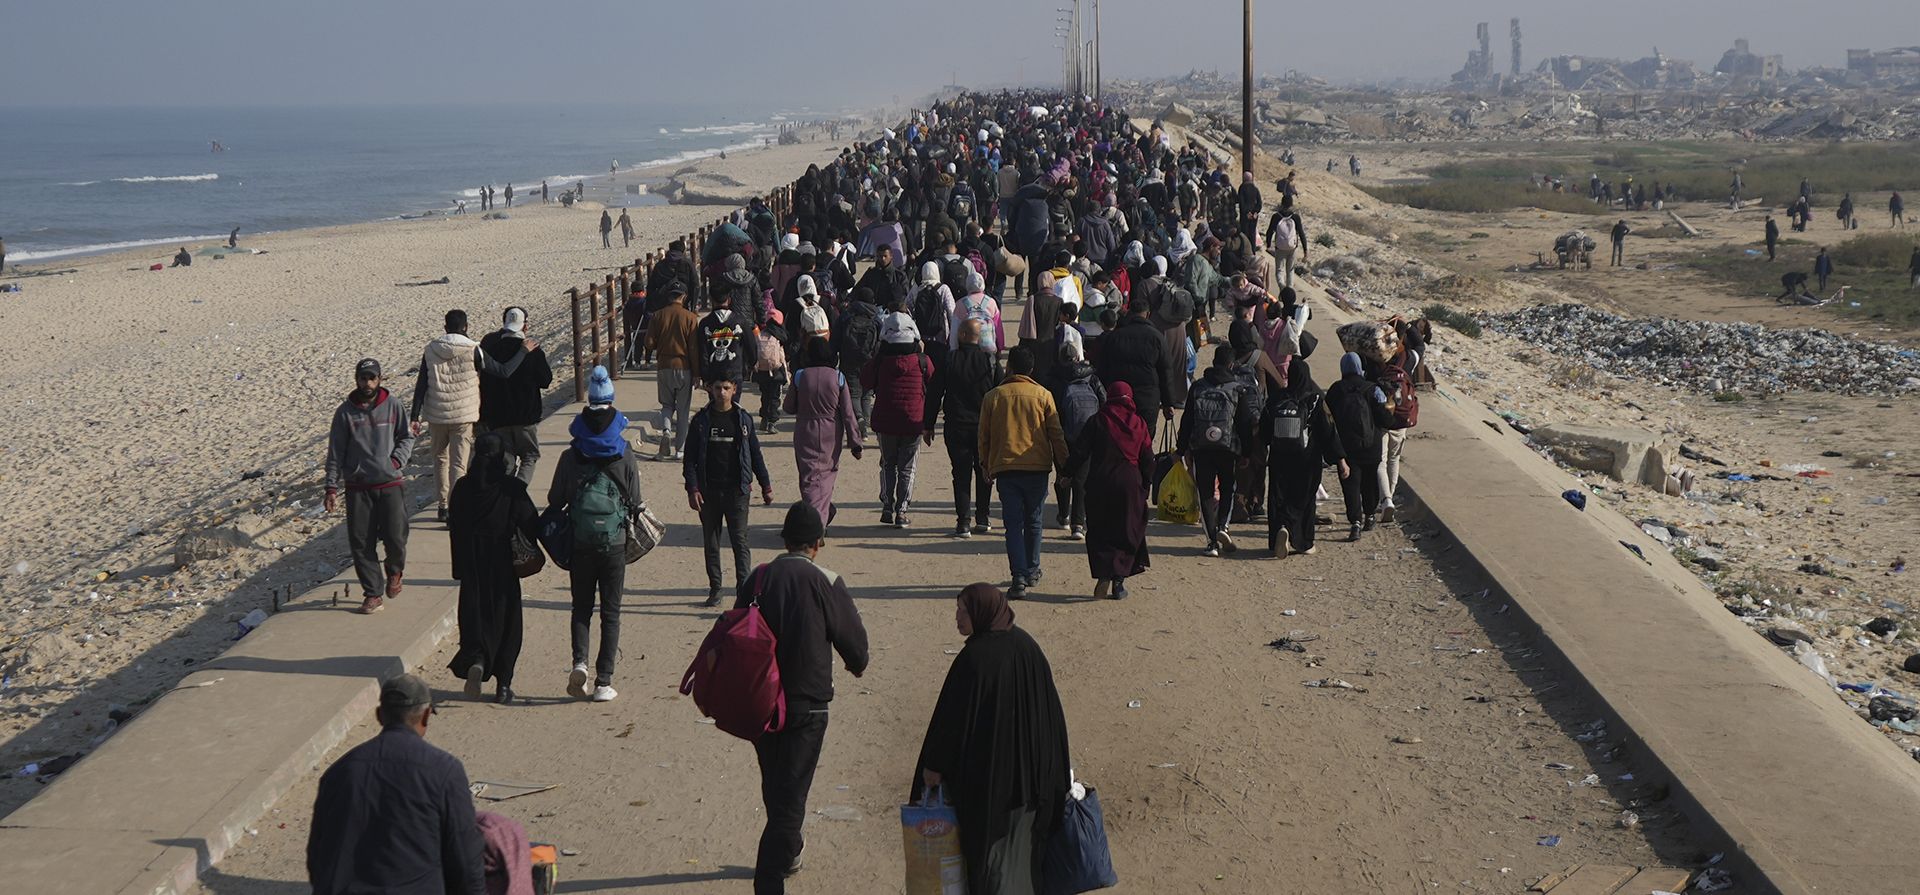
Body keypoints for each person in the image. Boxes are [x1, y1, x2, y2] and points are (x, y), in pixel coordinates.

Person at [737, 502, 870, 895]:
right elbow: (856, 648)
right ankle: (769, 881)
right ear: (818, 543)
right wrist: (855, 664)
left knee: (776, 784)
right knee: (791, 795)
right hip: (807, 704)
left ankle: (789, 849)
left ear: (784, 539)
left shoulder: (757, 578)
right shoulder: (825, 580)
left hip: (760, 701)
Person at [913, 583, 1071, 893]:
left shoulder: (975, 659)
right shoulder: (1027, 647)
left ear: (982, 613)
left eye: (964, 611)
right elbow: (1052, 715)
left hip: (990, 789)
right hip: (1032, 785)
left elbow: (951, 723)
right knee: (1024, 860)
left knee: (990, 866)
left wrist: (933, 768)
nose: (957, 618)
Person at [307, 674, 486, 895]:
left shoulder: (340, 771)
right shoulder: (445, 771)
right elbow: (465, 858)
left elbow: (318, 854)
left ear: (380, 715)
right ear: (426, 716)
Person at [547, 367, 647, 702]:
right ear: (612, 401)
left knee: (581, 607)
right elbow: (635, 502)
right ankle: (604, 681)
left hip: (580, 541)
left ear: (589, 401)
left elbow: (554, 500)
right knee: (611, 612)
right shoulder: (624, 453)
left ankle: (580, 662)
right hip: (614, 543)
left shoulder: (570, 455)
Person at [446, 433, 540, 704]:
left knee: (475, 617)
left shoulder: (463, 488)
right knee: (507, 623)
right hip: (503, 566)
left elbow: (455, 528)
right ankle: (504, 683)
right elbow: (531, 523)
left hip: (473, 567)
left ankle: (477, 659)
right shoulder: (511, 488)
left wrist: (459, 567)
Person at [413, 309, 532, 522]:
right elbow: (503, 371)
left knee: (440, 460)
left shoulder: (430, 349)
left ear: (445, 327)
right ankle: (455, 507)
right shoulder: (473, 349)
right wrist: (523, 352)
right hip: (463, 414)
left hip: (437, 414)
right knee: (459, 463)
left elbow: (421, 384)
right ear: (466, 327)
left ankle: (443, 506)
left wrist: (414, 415)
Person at [325, 358, 417, 614]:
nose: (367, 383)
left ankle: (395, 572)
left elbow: (406, 436)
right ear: (356, 379)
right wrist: (331, 488)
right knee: (361, 543)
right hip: (358, 487)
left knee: (396, 538)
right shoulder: (345, 412)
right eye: (363, 378)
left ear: (380, 379)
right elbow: (335, 452)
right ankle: (373, 593)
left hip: (390, 483)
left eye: (372, 378)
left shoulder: (392, 405)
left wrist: (396, 460)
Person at [977, 346, 1068, 599]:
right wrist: (1065, 467)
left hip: (1006, 468)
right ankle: (1032, 569)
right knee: (1034, 521)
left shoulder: (993, 397)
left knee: (1013, 525)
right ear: (1031, 369)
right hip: (1037, 467)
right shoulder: (1043, 395)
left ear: (1010, 367)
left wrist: (986, 464)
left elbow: (983, 436)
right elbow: (1056, 435)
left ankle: (1018, 577)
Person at [684, 378, 774, 606]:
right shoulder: (701, 421)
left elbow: (755, 453)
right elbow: (689, 460)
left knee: (740, 542)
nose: (722, 393)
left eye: (726, 388)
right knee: (711, 542)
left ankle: (744, 591)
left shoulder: (743, 420)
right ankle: (715, 589)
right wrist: (692, 488)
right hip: (708, 492)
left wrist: (765, 484)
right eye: (717, 388)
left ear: (734, 390)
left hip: (737, 491)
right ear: (710, 390)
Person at [1070, 381, 1153, 598]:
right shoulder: (1139, 423)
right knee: (1127, 529)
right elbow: (1147, 458)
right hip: (1129, 483)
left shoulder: (1098, 420)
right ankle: (1119, 581)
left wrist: (1065, 474)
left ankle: (1104, 573)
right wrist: (1146, 484)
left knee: (1100, 529)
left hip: (1100, 482)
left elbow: (1080, 452)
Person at [1261, 357, 1348, 557]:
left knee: (1278, 496)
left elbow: (1264, 430)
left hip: (1279, 456)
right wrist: (1340, 459)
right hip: (1307, 459)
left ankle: (1280, 530)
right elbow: (1328, 431)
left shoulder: (1276, 399)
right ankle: (1303, 542)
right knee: (1305, 498)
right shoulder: (1315, 399)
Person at [1178, 348, 1259, 557]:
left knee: (1204, 493)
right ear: (1231, 365)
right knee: (1227, 489)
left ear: (1213, 362)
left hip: (1201, 448)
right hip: (1228, 448)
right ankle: (1223, 526)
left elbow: (1187, 421)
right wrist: (1246, 453)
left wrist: (1182, 449)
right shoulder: (1237, 389)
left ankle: (1211, 542)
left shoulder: (1197, 387)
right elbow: (1244, 424)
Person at [928, 318, 1000, 538]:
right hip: (983, 427)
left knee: (960, 474)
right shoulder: (990, 361)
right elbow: (1001, 395)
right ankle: (983, 517)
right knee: (984, 471)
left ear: (962, 336)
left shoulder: (949, 360)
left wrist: (927, 424)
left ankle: (963, 522)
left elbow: (934, 393)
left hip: (956, 425)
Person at [863, 315, 933, 528]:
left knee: (888, 463)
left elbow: (865, 380)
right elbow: (932, 379)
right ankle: (902, 510)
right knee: (907, 467)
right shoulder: (922, 361)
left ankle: (887, 504)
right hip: (913, 420)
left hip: (886, 421)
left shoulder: (880, 362)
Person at [785, 338, 862, 527]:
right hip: (831, 433)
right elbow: (848, 413)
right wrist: (855, 442)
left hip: (805, 430)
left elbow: (788, 407)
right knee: (826, 476)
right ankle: (820, 517)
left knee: (808, 476)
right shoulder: (838, 377)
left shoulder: (799, 376)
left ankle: (816, 521)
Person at [477, 307, 552, 484]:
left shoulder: (489, 350)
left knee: (507, 460)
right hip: (525, 416)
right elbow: (545, 380)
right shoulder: (533, 351)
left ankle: (505, 494)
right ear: (524, 327)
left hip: (498, 416)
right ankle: (517, 491)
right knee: (530, 456)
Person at [1325, 353, 1392, 540]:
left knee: (1351, 486)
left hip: (1346, 449)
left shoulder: (1335, 390)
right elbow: (1385, 418)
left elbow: (1327, 419)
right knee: (1369, 482)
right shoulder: (1373, 389)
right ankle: (1370, 515)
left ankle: (1355, 522)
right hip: (1371, 447)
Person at [1094, 297, 1175, 438]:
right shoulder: (1157, 337)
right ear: (1148, 314)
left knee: (1119, 437)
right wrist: (1168, 403)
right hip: (1148, 399)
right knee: (1145, 438)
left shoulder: (1114, 337)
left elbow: (1102, 369)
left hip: (1118, 397)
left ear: (1130, 313)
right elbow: (1165, 371)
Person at [1047, 341, 1102, 540]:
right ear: (1078, 358)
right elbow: (1103, 400)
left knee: (1063, 473)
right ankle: (1079, 523)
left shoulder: (1053, 378)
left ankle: (1064, 515)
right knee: (1081, 479)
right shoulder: (1091, 377)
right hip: (1087, 433)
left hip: (1061, 433)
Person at [646, 281, 700, 460]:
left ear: (669, 296)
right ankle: (680, 450)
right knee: (683, 410)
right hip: (684, 366)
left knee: (667, 406)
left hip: (664, 366)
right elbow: (693, 347)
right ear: (683, 297)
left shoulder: (657, 316)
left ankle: (667, 431)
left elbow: (648, 343)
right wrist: (697, 372)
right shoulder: (690, 318)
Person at [833, 286, 885, 441]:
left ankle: (859, 421)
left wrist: (833, 356)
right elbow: (881, 340)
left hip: (849, 359)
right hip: (870, 359)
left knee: (853, 393)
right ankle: (865, 424)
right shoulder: (876, 317)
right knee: (867, 394)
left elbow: (836, 338)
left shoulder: (847, 315)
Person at [695, 278, 760, 386]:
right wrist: (752, 362)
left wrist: (705, 376)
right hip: (735, 372)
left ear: (711, 300)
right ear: (729, 300)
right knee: (734, 403)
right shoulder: (740, 321)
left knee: (716, 402)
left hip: (713, 375)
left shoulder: (705, 324)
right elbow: (751, 344)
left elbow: (703, 352)